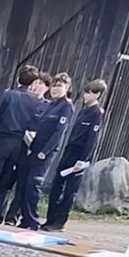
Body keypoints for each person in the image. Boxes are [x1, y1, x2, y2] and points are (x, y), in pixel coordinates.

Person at [0, 65, 47, 222]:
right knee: (6, 180)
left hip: (3, 139)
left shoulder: (8, 95)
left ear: (18, 78)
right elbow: (34, 124)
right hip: (20, 143)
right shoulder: (35, 101)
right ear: (32, 82)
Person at [11, 72, 73, 229]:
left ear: (66, 88)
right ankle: (25, 219)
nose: (55, 89)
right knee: (25, 183)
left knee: (34, 184)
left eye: (59, 86)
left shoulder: (66, 106)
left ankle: (33, 219)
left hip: (45, 151)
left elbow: (59, 132)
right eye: (54, 85)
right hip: (34, 147)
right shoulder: (50, 105)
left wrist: (45, 151)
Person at [45, 79, 107, 230]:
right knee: (56, 186)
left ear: (97, 95)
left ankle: (60, 222)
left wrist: (83, 159)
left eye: (89, 93)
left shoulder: (96, 113)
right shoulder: (83, 110)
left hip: (80, 155)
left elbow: (92, 139)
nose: (85, 96)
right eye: (85, 92)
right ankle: (50, 219)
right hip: (69, 151)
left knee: (69, 191)